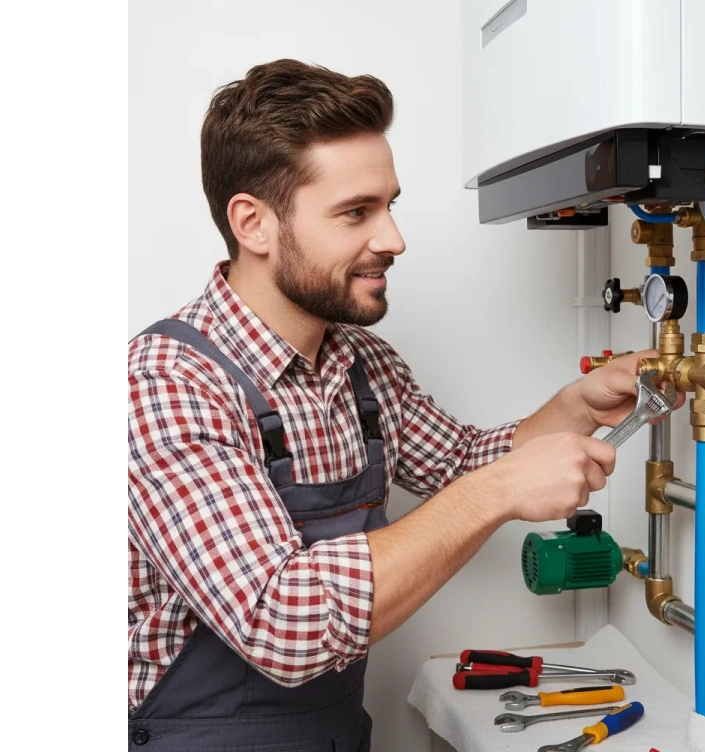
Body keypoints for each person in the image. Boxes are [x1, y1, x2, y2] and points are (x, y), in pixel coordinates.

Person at [127, 58, 673, 752]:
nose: (393, 238)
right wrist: (497, 493)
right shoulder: (169, 383)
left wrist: (577, 406)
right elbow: (281, 622)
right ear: (253, 224)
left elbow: (464, 462)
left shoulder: (360, 363)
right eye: (357, 212)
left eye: (390, 204)